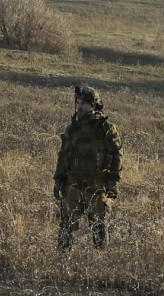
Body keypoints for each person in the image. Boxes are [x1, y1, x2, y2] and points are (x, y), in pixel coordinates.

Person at [54, 84, 120, 252]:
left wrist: (112, 183)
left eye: (84, 103)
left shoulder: (105, 128)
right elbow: (63, 156)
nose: (80, 106)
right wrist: (59, 180)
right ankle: (61, 260)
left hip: (96, 185)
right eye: (78, 102)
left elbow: (116, 157)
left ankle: (100, 261)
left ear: (93, 105)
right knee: (66, 224)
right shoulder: (72, 129)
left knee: (98, 225)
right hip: (73, 184)